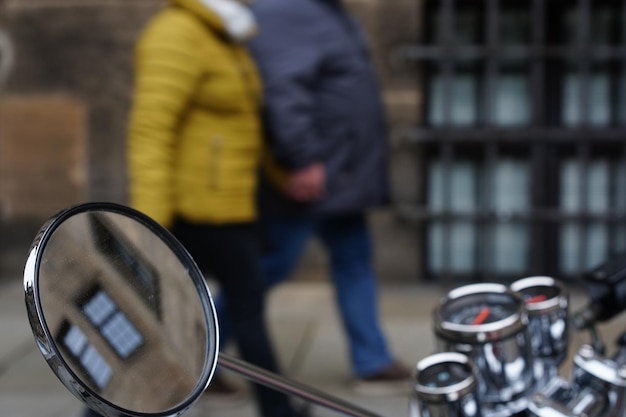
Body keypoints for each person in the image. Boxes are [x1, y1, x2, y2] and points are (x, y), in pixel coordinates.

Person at [95, 1, 304, 417]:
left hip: (229, 206)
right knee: (162, 320)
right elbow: (151, 129)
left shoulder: (225, 34)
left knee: (230, 309)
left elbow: (244, 126)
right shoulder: (176, 31)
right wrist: (147, 226)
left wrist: (285, 177)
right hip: (191, 213)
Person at [215, 0, 412, 396]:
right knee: (263, 268)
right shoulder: (288, 10)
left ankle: (371, 362)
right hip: (313, 176)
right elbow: (282, 89)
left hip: (339, 177)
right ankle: (192, 353)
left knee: (353, 258)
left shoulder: (319, 10)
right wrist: (302, 159)